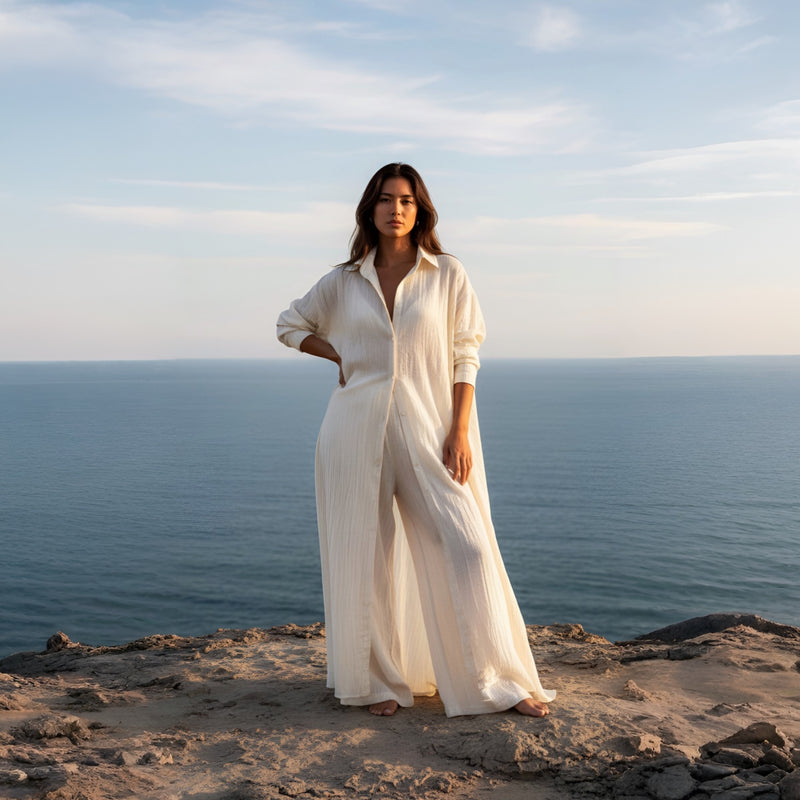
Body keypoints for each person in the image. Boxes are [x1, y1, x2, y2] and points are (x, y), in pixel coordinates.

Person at [276, 163, 555, 718]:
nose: (395, 209)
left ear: (420, 209)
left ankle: (498, 681)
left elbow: (465, 353)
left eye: (405, 200)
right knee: (365, 556)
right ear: (370, 208)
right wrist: (338, 354)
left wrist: (459, 430)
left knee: (469, 547)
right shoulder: (343, 281)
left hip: (431, 430)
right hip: (353, 430)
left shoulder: (447, 273)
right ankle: (376, 684)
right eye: (385, 199)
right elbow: (289, 324)